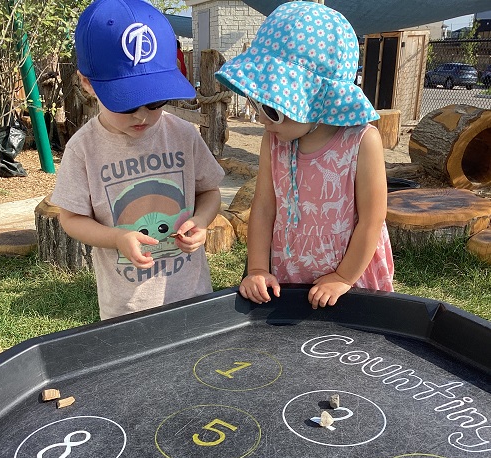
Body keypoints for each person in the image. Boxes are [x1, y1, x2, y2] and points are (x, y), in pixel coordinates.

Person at [51, 0, 224, 320]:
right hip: (128, 306)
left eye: (156, 101)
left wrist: (200, 223)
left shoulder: (184, 134)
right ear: (88, 84)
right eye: (127, 104)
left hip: (191, 293)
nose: (143, 115)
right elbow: (70, 218)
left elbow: (210, 192)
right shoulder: (83, 149)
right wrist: (117, 238)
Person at [215, 1, 394, 310]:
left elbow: (372, 220)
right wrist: (257, 269)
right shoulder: (275, 139)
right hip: (292, 271)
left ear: (318, 98)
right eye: (256, 104)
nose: (260, 119)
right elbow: (263, 208)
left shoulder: (362, 141)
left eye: (271, 109)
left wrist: (342, 276)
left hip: (352, 277)